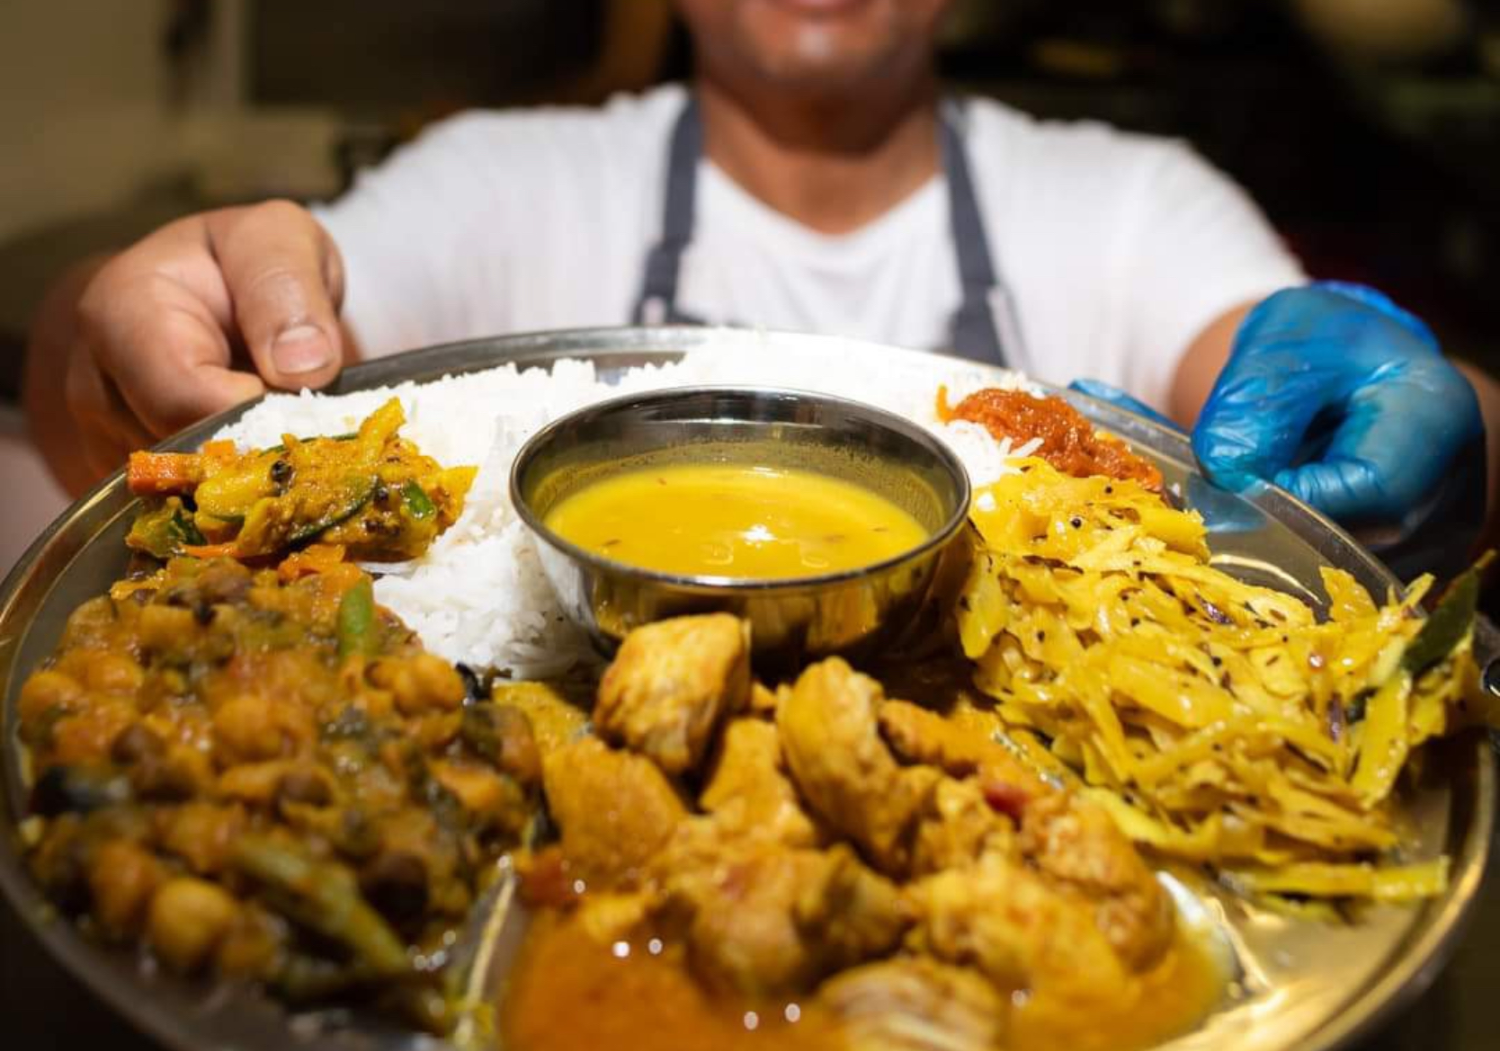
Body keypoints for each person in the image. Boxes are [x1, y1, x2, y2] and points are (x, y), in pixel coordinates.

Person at [22, 0, 1496, 572]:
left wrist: (1461, 421)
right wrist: (119, 328)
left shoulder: (1128, 201)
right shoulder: (501, 181)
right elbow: (134, 398)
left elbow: (1319, 392)